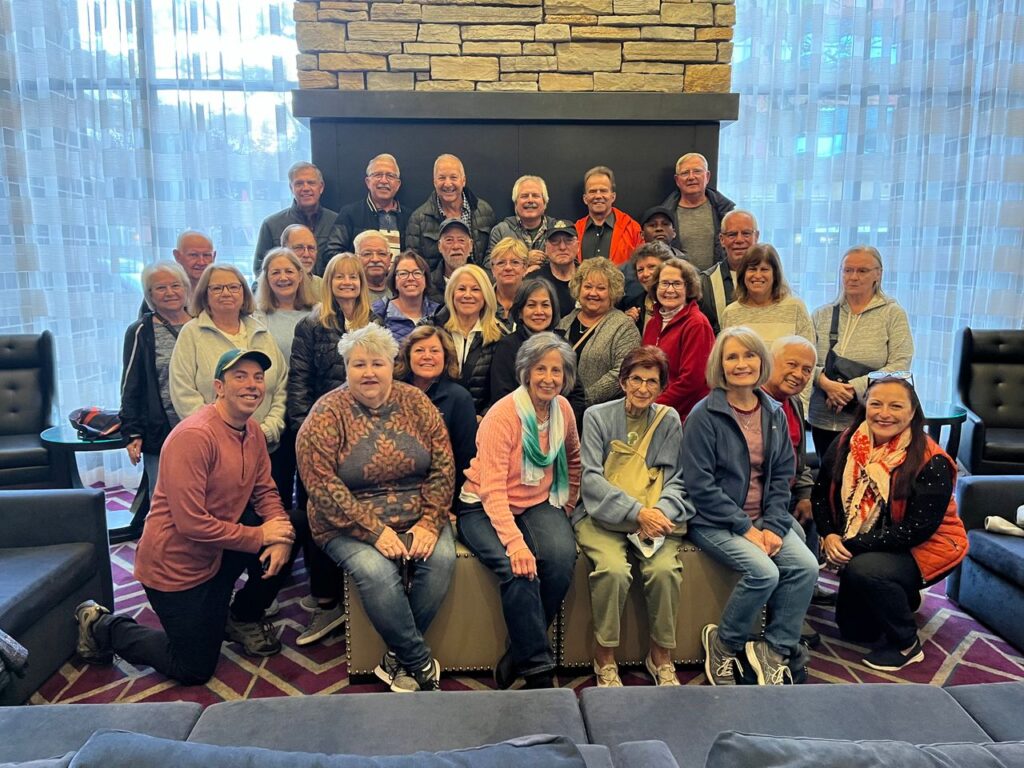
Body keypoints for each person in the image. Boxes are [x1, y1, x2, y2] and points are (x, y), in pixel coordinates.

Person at [75, 349, 295, 683]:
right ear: (218, 386)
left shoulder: (251, 431)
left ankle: (240, 616)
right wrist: (261, 536)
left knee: (300, 524)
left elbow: (264, 491)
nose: (251, 385)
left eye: (258, 377)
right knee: (194, 668)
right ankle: (104, 625)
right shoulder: (194, 437)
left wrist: (280, 534)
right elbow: (191, 524)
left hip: (218, 551)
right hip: (175, 567)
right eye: (240, 376)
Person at [296, 325, 456, 692]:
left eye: (377, 364)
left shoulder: (417, 402)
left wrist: (431, 522)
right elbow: (320, 485)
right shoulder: (326, 413)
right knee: (377, 572)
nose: (368, 372)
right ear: (346, 368)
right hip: (344, 522)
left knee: (442, 561)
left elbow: (443, 465)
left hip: (418, 513)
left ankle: (395, 659)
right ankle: (417, 662)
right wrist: (374, 531)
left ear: (392, 364)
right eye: (358, 364)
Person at [683, 328, 818, 686]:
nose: (741, 364)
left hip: (764, 517)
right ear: (720, 365)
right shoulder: (704, 415)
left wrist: (773, 526)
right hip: (714, 521)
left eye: (749, 356)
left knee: (806, 565)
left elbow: (782, 477)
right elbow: (700, 486)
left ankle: (774, 650)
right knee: (765, 572)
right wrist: (746, 528)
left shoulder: (774, 411)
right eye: (732, 357)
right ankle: (724, 644)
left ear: (762, 362)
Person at [812, 372, 968, 671]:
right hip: (870, 543)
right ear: (865, 406)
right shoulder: (847, 442)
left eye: (896, 406)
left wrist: (851, 546)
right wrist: (829, 534)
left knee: (865, 569)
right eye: (876, 404)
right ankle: (903, 596)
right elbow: (821, 493)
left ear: (912, 412)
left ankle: (906, 643)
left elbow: (918, 529)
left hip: (927, 546)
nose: (884, 414)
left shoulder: (931, 459)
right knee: (856, 631)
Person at [457, 332, 582, 689]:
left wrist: (569, 502)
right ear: (526, 371)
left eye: (556, 371)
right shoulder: (503, 415)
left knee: (561, 558)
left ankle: (518, 652)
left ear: (565, 376)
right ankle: (539, 671)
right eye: (540, 369)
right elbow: (492, 489)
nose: (548, 378)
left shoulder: (564, 410)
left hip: (537, 502)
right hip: (482, 507)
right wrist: (515, 544)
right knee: (519, 570)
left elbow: (574, 459)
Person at [577, 346, 694, 687]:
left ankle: (660, 655)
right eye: (636, 380)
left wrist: (657, 512)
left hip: (654, 518)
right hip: (603, 517)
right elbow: (591, 479)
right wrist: (636, 512)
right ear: (624, 382)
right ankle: (605, 657)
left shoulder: (668, 419)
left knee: (664, 571)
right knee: (612, 571)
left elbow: (675, 478)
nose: (643, 388)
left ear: (661, 387)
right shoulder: (597, 416)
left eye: (652, 382)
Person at [286, 253, 376, 646]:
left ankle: (355, 595)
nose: (346, 282)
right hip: (320, 433)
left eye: (353, 276)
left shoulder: (374, 324)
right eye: (338, 276)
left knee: (357, 510)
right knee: (319, 511)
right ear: (328, 282)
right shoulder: (310, 325)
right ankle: (324, 598)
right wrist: (306, 431)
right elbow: (299, 382)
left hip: (363, 435)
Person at [809, 245, 914, 458]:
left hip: (868, 418)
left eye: (862, 271)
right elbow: (804, 361)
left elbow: (900, 364)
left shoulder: (892, 314)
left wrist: (851, 388)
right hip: (822, 416)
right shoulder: (822, 314)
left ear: (878, 274)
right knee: (827, 479)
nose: (853, 277)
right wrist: (826, 384)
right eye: (847, 270)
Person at [169, 264, 287, 450]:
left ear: (244, 293)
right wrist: (219, 434)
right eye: (217, 288)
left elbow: (281, 386)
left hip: (265, 446)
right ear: (204, 294)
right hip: (214, 448)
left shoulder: (261, 331)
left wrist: (266, 431)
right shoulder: (191, 333)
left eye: (233, 287)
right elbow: (183, 393)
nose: (226, 293)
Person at [120, 261, 193, 501]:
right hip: (160, 429)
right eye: (161, 288)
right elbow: (131, 384)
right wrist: (133, 433)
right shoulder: (141, 330)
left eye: (175, 285)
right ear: (149, 295)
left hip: (200, 426)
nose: (170, 292)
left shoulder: (202, 323)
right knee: (163, 498)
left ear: (186, 288)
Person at [254, 248, 317, 514]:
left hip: (307, 410)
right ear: (266, 278)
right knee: (275, 486)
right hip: (273, 412)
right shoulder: (256, 317)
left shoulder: (316, 313)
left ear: (301, 276)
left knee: (309, 487)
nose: (283, 278)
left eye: (289, 271)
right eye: (275, 272)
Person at [489, 278, 587, 426]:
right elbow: (502, 395)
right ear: (520, 312)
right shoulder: (507, 346)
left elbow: (576, 395)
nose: (539, 312)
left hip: (558, 429)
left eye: (545, 305)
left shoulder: (563, 345)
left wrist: (558, 426)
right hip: (518, 429)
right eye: (531, 305)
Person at [395, 325, 478, 497]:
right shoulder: (392, 393)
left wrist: (452, 504)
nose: (427, 356)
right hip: (398, 490)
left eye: (434, 351)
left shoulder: (460, 398)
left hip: (443, 493)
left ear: (446, 357)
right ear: (407, 356)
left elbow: (466, 457)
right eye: (419, 350)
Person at [556, 257, 642, 408]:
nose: (593, 293)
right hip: (561, 409)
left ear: (612, 292)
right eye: (588, 286)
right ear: (579, 288)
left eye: (601, 288)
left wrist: (582, 400)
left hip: (602, 414)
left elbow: (623, 371)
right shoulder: (565, 321)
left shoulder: (624, 326)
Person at [642, 258, 715, 422]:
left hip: (685, 417)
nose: (669, 290)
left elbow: (692, 382)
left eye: (676, 284)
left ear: (688, 288)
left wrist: (653, 406)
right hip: (654, 410)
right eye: (664, 283)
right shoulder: (654, 322)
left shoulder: (697, 324)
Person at [405, 154, 496, 273]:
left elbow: (493, 257)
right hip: (436, 290)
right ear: (434, 182)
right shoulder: (418, 220)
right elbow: (414, 266)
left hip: (477, 288)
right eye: (442, 178)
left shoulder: (485, 212)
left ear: (463, 181)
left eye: (453, 177)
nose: (448, 184)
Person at [438, 264, 505, 416]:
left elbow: (499, 390)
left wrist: (485, 417)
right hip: (434, 420)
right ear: (452, 293)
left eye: (475, 289)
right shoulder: (432, 329)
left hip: (480, 423)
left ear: (485, 295)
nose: (468, 295)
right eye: (461, 289)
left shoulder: (499, 337)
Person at [719, 244, 814, 348]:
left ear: (775, 274)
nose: (758, 275)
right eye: (752, 269)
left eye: (764, 269)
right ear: (743, 274)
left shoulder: (796, 308)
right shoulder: (730, 313)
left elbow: (808, 357)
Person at [253, 161, 338, 276]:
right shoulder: (271, 225)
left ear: (321, 187)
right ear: (291, 188)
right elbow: (260, 270)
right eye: (299, 184)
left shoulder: (337, 223)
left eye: (311, 183)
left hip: (325, 292)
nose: (306, 188)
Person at [326, 153, 409, 263]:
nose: (384, 181)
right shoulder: (350, 214)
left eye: (390, 176)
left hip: (399, 279)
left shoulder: (410, 217)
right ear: (368, 182)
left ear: (398, 184)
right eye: (378, 175)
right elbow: (332, 254)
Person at [659, 152, 735, 271]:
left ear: (707, 176)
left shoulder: (725, 212)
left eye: (697, 171)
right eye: (685, 173)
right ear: (677, 180)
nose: (691, 177)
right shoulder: (664, 215)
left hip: (717, 282)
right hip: (680, 284)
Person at [699, 209, 759, 334]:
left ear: (756, 237)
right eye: (732, 234)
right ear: (722, 239)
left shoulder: (770, 278)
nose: (739, 240)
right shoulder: (706, 282)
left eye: (746, 233)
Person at [486, 175, 557, 268]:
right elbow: (488, 265)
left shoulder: (557, 229)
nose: (530, 200)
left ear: (544, 203)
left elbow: (571, 263)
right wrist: (524, 259)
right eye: (524, 196)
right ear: (515, 204)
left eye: (535, 196)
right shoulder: (501, 231)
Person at [575, 166, 642, 265]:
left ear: (613, 196)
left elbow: (642, 266)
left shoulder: (632, 229)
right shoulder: (575, 231)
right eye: (592, 191)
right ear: (585, 198)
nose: (598, 196)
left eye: (603, 191)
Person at [372, 251, 439, 344]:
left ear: (426, 279)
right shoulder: (378, 312)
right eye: (403, 273)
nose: (411, 278)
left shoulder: (438, 313)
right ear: (394, 280)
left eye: (417, 273)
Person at [621, 241, 672, 334]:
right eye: (640, 270)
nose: (645, 274)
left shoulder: (684, 304)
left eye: (652, 267)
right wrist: (626, 324)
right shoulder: (632, 305)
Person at [533, 220, 578, 316]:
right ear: (546, 247)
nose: (562, 247)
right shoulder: (533, 281)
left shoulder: (588, 278)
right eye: (554, 241)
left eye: (568, 241)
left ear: (578, 245)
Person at [428, 218, 476, 298]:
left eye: (461, 240)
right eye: (449, 240)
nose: (456, 246)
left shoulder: (484, 282)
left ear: (471, 246)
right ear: (439, 246)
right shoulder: (428, 284)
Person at [490, 237, 529, 328]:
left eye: (515, 262)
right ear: (492, 269)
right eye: (501, 263)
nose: (508, 268)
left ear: (525, 267)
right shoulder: (482, 303)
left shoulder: (534, 302)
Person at [280, 223, 324, 297]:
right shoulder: (270, 285)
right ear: (284, 250)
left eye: (311, 248)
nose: (306, 254)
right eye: (299, 248)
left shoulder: (323, 286)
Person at [354, 230, 395, 304]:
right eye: (367, 254)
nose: (375, 259)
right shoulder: (349, 294)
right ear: (356, 259)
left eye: (381, 254)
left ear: (390, 258)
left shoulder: (400, 290)